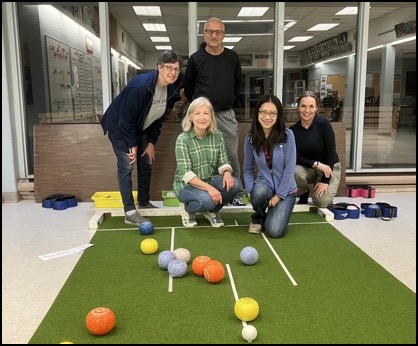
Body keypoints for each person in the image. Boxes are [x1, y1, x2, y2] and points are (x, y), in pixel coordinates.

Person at [101, 50, 183, 225]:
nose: (173, 73)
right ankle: (130, 212)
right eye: (169, 68)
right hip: (119, 127)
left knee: (146, 160)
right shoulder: (139, 86)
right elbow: (125, 119)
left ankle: (144, 202)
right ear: (159, 67)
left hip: (139, 128)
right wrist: (132, 144)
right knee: (127, 166)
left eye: (176, 69)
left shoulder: (171, 90)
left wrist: (151, 142)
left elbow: (158, 119)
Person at [184, 17, 245, 207]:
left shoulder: (232, 58)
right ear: (205, 34)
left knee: (231, 154)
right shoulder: (196, 59)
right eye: (210, 31)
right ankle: (203, 191)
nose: (214, 35)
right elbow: (188, 88)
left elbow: (237, 85)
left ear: (223, 36)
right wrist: (200, 111)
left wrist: (224, 100)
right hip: (202, 116)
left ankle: (235, 193)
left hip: (225, 114)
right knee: (201, 156)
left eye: (218, 32)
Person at [173, 96, 241, 228]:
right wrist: (210, 189)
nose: (202, 118)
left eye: (206, 113)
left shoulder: (217, 136)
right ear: (190, 117)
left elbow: (223, 161)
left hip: (208, 180)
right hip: (186, 186)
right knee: (207, 199)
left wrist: (227, 172)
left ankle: (212, 211)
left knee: (234, 185)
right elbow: (186, 174)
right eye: (197, 113)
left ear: (211, 116)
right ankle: (188, 209)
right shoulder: (182, 139)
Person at [243, 95, 297, 238]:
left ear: (278, 115)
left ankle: (272, 215)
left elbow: (289, 169)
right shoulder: (250, 138)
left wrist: (279, 196)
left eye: (272, 113)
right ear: (257, 113)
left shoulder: (288, 135)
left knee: (274, 231)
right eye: (263, 112)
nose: (267, 117)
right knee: (258, 192)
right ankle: (258, 217)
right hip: (264, 184)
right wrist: (249, 189)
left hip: (286, 190)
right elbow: (248, 168)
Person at [289, 91, 341, 208]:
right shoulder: (293, 131)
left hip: (329, 167)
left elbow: (331, 154)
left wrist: (325, 181)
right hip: (309, 168)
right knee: (292, 170)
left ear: (316, 108)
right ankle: (303, 193)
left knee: (322, 202)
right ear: (298, 108)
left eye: (311, 106)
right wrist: (316, 164)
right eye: (303, 106)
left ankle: (320, 187)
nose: (307, 111)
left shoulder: (324, 124)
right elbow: (294, 157)